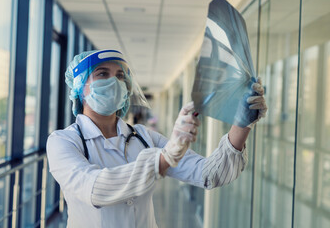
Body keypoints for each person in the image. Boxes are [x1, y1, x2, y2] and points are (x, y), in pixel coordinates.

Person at [46, 49, 267, 228]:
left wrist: (241, 124)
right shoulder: (63, 142)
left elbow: (210, 174)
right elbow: (96, 189)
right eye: (103, 74)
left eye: (121, 75)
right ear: (79, 88)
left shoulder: (142, 136)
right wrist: (164, 157)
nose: (115, 81)